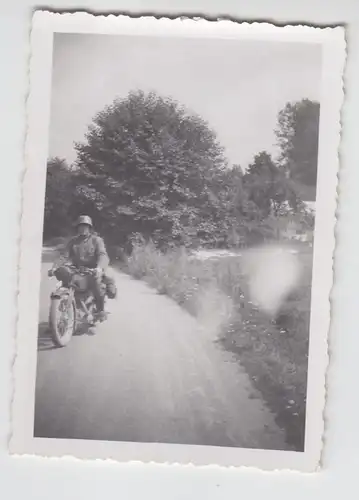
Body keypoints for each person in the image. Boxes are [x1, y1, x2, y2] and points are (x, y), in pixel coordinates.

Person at [49, 215, 114, 322]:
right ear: (77, 228)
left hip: (92, 271)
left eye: (86, 226)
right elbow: (64, 256)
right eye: (81, 226)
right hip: (77, 270)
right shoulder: (73, 241)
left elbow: (103, 255)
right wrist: (55, 267)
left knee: (96, 282)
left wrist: (99, 268)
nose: (83, 228)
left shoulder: (96, 240)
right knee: (64, 281)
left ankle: (100, 310)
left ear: (89, 228)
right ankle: (54, 319)